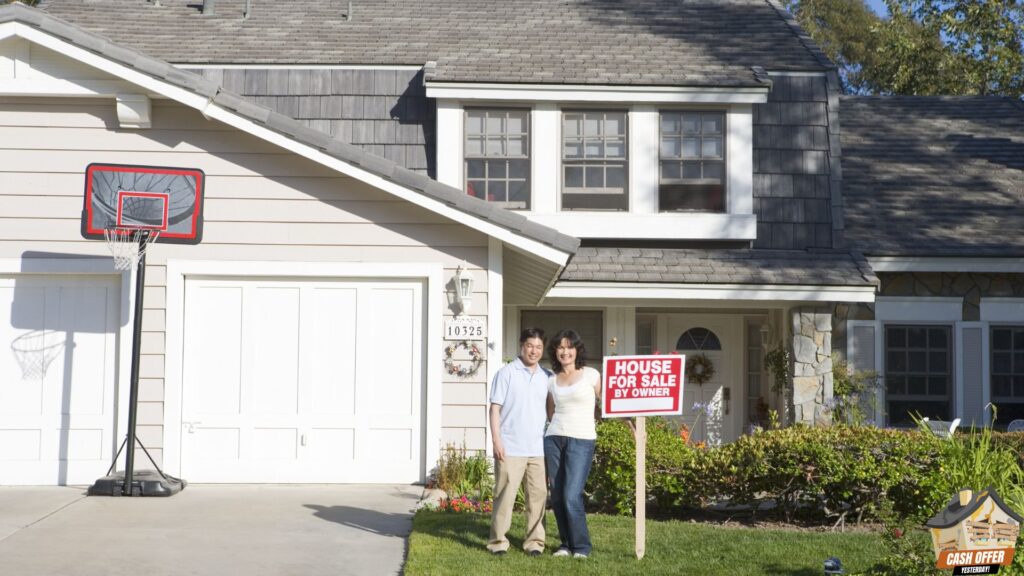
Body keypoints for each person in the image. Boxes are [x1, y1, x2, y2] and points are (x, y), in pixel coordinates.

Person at [487, 328, 550, 556]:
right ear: (521, 346)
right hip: (510, 447)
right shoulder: (506, 373)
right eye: (530, 346)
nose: (534, 351)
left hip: (538, 450)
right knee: (505, 497)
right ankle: (498, 542)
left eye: (539, 347)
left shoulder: (547, 376)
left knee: (537, 498)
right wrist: (496, 441)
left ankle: (535, 542)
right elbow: (495, 409)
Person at [544, 329, 600, 559]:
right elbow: (550, 412)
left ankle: (581, 547)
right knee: (557, 497)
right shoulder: (551, 380)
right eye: (560, 347)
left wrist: (632, 427)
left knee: (571, 495)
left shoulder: (591, 375)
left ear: (577, 350)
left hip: (582, 439)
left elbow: (608, 404)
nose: (565, 352)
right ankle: (565, 544)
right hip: (554, 438)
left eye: (569, 347)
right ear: (555, 351)